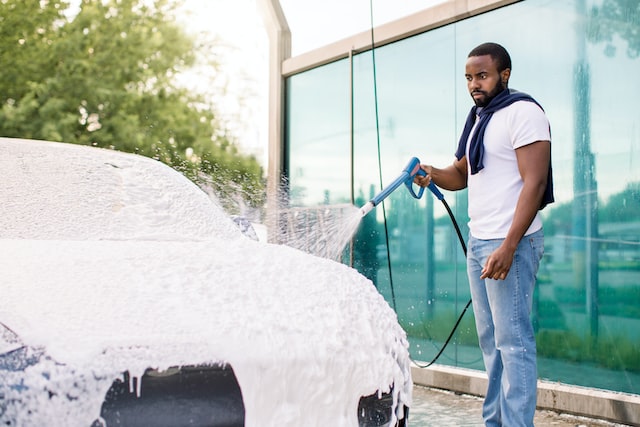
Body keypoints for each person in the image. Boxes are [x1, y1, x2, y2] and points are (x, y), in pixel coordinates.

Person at [414, 42, 553, 427]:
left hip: (512, 243)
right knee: (492, 344)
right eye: (469, 78)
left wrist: (509, 246)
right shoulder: (479, 117)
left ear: (504, 74)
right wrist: (431, 172)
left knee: (514, 343)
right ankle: (495, 421)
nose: (474, 84)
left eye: (482, 75)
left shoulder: (523, 112)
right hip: (480, 242)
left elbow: (535, 183)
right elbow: (461, 173)